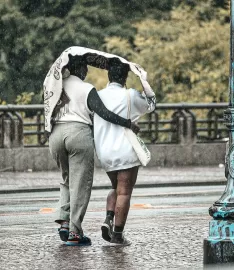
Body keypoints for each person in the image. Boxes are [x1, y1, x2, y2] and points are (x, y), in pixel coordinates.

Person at [48, 55, 139, 246]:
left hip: (56, 135)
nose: (87, 71)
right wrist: (127, 123)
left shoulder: (56, 85)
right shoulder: (87, 88)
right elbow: (103, 112)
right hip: (77, 134)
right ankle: (75, 232)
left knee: (66, 180)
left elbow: (48, 109)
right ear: (81, 69)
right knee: (80, 184)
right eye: (85, 68)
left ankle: (64, 222)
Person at [93, 58, 156, 246]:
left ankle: (108, 219)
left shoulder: (97, 96)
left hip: (105, 152)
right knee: (124, 193)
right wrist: (143, 79)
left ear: (108, 76)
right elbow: (151, 103)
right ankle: (118, 235)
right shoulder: (130, 95)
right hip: (125, 150)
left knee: (116, 188)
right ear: (125, 77)